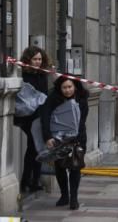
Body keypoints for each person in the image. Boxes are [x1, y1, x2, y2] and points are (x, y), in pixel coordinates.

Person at [41, 76, 89, 210]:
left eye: (70, 87)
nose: (67, 90)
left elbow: (82, 120)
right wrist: (48, 137)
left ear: (75, 86)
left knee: (75, 166)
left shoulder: (81, 98)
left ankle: (74, 198)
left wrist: (76, 136)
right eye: (64, 87)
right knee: (60, 166)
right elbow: (45, 117)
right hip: (58, 138)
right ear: (59, 88)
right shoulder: (53, 99)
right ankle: (64, 195)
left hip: (78, 138)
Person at [13, 45, 50, 193]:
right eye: (35, 59)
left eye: (40, 59)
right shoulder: (24, 74)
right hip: (28, 116)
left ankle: (34, 180)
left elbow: (45, 93)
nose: (38, 62)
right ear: (28, 60)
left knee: (37, 148)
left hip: (40, 115)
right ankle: (27, 181)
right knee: (33, 147)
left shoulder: (43, 74)